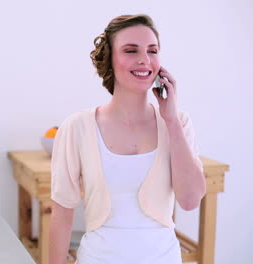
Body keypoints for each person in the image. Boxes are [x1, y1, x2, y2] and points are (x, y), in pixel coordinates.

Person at [49, 14, 206, 264]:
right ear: (109, 59)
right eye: (131, 50)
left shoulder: (178, 123)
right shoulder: (77, 127)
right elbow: (62, 213)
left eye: (152, 51)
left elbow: (190, 200)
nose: (144, 60)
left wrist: (171, 120)